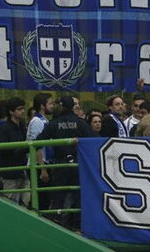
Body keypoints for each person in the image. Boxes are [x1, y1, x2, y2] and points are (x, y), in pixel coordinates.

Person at [36, 96, 94, 227]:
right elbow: (92, 141)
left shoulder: (53, 124)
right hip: (77, 165)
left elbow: (37, 143)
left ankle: (56, 225)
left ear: (62, 106)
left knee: (58, 197)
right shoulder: (80, 123)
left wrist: (19, 150)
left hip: (60, 166)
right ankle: (79, 226)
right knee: (79, 196)